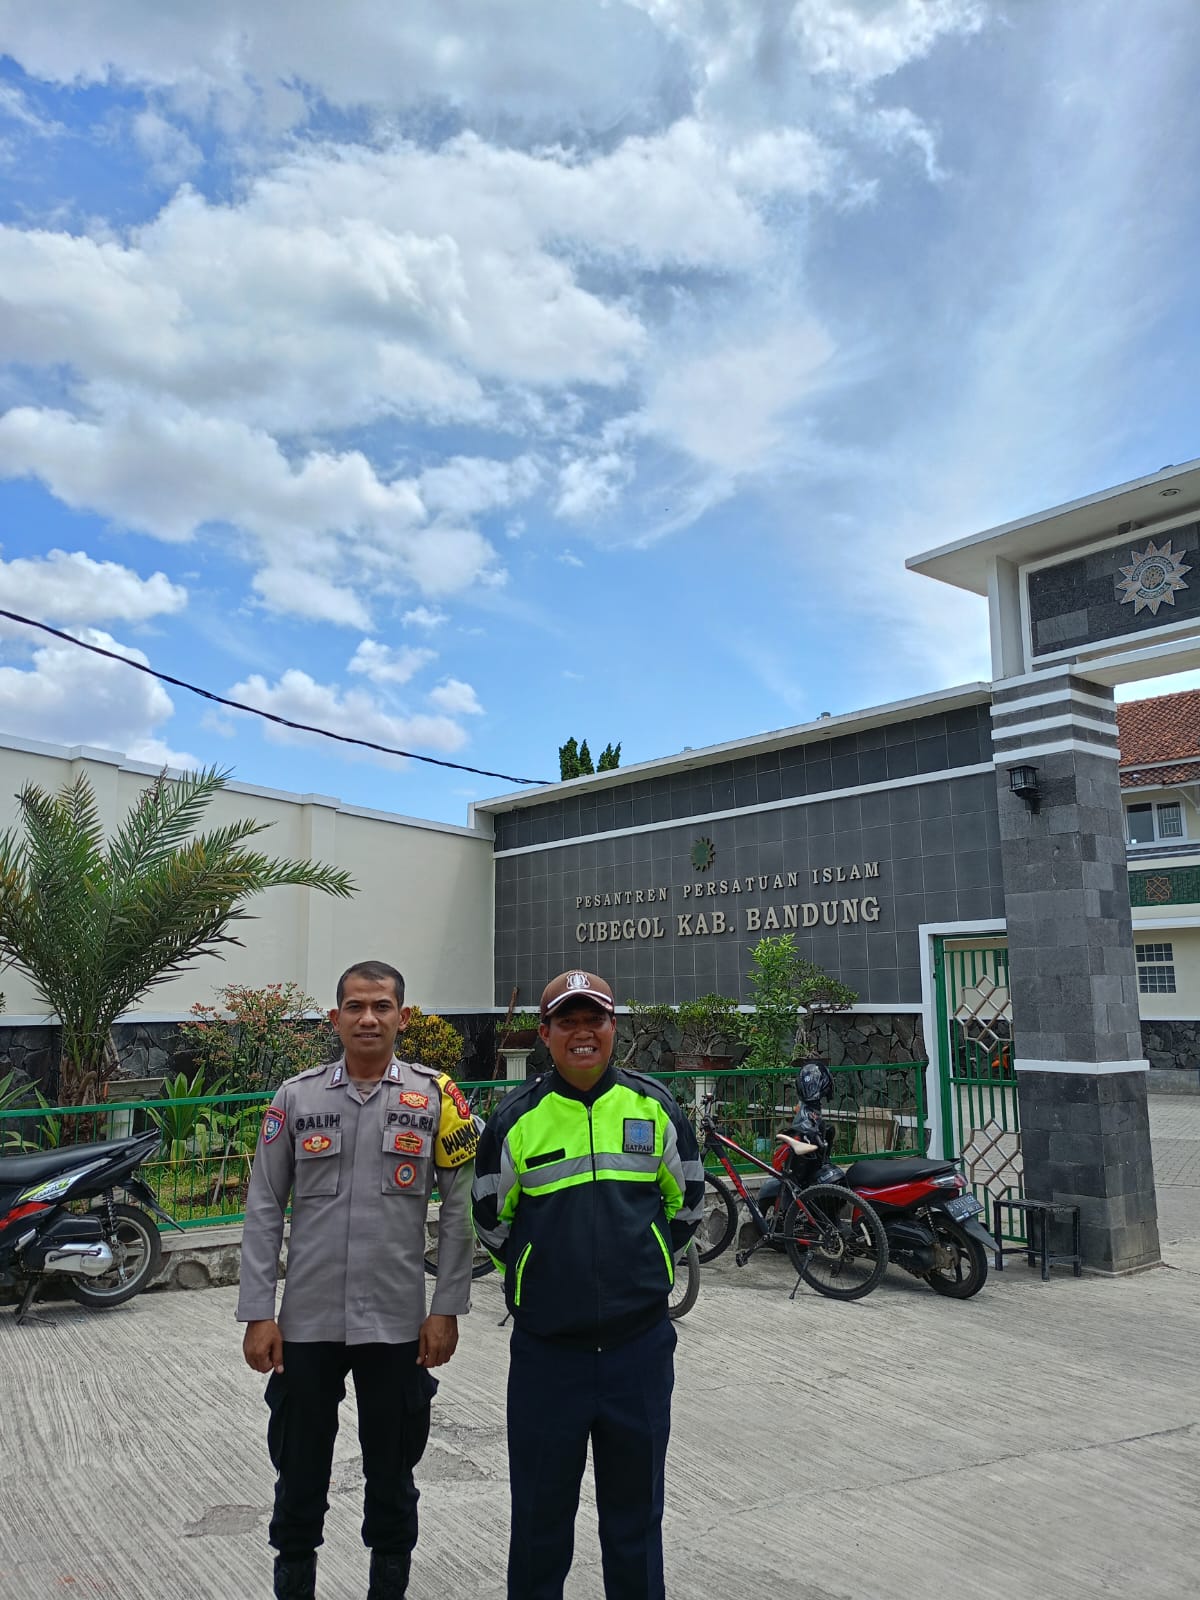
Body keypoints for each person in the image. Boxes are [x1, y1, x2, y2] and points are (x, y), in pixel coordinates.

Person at [237, 960, 477, 1600]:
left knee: (392, 1476)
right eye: (355, 1007)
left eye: (381, 1006)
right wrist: (259, 1311)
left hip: (397, 1326)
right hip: (307, 1324)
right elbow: (264, 1206)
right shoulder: (296, 1098)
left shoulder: (436, 1099)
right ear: (335, 1018)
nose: (368, 1018)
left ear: (403, 1015)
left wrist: (446, 1306)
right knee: (299, 1474)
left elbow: (459, 1209)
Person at [472, 969, 705, 1600]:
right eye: (567, 1021)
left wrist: (646, 1259)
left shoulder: (654, 1108)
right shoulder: (515, 1120)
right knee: (540, 1523)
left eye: (593, 1019)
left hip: (639, 1352)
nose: (582, 1032)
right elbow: (490, 1220)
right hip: (548, 1358)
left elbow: (688, 1203)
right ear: (544, 1033)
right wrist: (537, 1274)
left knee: (636, 1522)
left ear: (613, 1028)